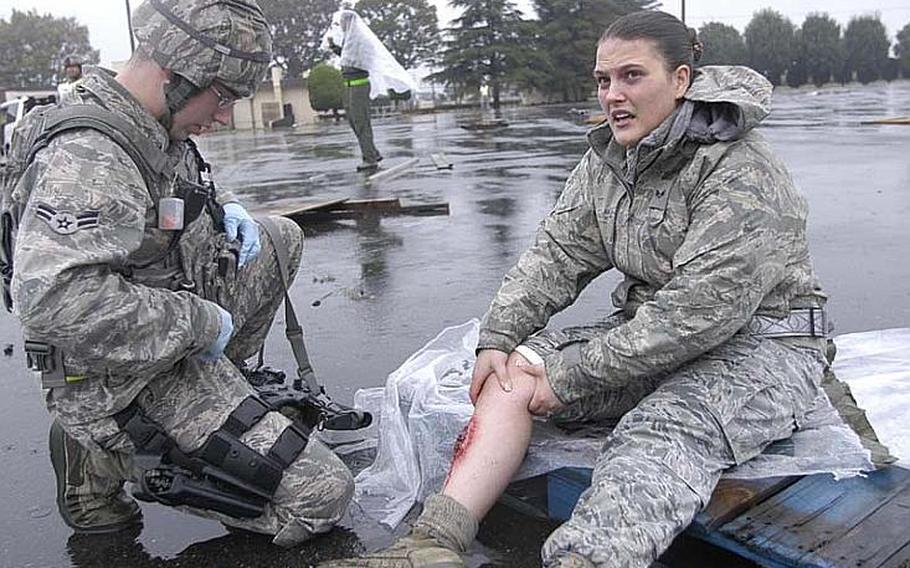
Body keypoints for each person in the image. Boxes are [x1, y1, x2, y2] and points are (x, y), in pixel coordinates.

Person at [324, 10, 841, 568]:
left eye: (632, 76)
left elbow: (700, 313)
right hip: (650, 334)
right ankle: (431, 545)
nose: (612, 94)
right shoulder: (612, 162)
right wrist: (500, 336)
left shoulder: (741, 169)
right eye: (603, 79)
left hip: (762, 345)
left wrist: (572, 373)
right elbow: (558, 253)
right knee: (513, 375)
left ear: (683, 79)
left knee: (661, 432)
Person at [10, 0, 353, 546]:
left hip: (165, 331)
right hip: (116, 380)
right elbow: (56, 300)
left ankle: (220, 399)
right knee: (320, 496)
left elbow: (172, 200)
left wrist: (228, 210)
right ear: (174, 72)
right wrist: (199, 322)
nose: (223, 116)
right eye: (222, 97)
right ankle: (100, 457)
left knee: (278, 239)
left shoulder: (150, 125)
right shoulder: (92, 155)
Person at [324, 10, 416, 172]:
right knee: (354, 121)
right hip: (348, 85)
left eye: (344, 21)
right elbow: (347, 57)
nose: (342, 24)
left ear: (351, 21)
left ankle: (370, 159)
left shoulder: (362, 40)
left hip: (359, 85)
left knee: (361, 121)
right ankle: (372, 152)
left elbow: (364, 59)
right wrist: (334, 47)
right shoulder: (349, 39)